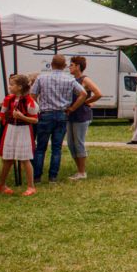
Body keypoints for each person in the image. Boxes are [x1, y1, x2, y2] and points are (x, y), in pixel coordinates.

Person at [30, 55, 87, 183]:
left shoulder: (41, 78)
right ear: (64, 66)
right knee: (57, 148)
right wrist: (72, 108)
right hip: (62, 114)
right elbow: (83, 94)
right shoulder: (70, 80)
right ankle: (53, 177)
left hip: (45, 114)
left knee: (40, 147)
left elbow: (32, 95)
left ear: (51, 64)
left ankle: (37, 176)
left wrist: (37, 107)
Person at [0, 75, 38, 196]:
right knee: (7, 159)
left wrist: (22, 117)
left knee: (25, 159)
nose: (10, 87)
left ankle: (31, 186)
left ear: (20, 87)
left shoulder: (30, 102)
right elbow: (1, 115)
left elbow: (35, 120)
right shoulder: (8, 99)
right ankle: (2, 184)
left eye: (12, 85)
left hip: (23, 130)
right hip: (10, 129)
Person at [67, 56, 102, 181]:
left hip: (81, 115)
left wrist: (86, 101)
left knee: (78, 143)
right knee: (71, 144)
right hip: (71, 114)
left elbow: (98, 93)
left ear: (78, 66)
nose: (69, 67)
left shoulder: (84, 79)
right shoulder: (73, 80)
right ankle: (79, 170)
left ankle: (82, 172)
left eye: (71, 65)